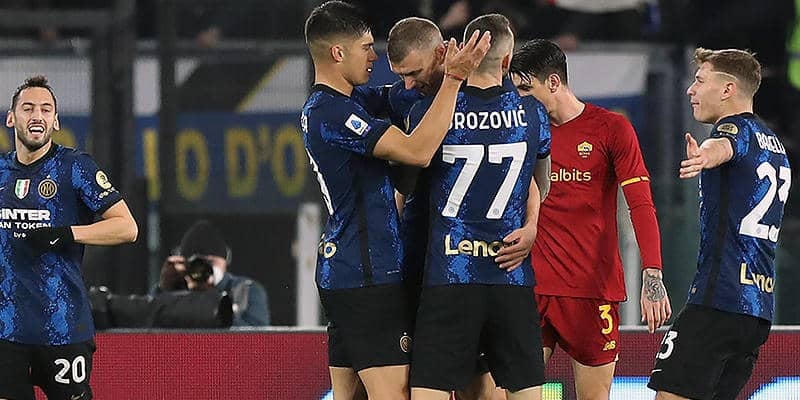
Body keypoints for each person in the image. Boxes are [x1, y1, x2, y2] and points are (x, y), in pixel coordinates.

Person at [301, 2, 490, 399]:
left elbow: (405, 96)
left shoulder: (349, 101)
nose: (374, 57)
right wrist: (454, 79)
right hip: (367, 274)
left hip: (347, 270)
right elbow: (417, 151)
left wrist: (439, 72)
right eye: (366, 47)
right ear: (338, 52)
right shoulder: (332, 113)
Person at [386, 16, 551, 400]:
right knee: (524, 392)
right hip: (510, 275)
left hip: (450, 275)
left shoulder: (430, 112)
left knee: (429, 392)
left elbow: (403, 188)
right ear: (507, 61)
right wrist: (531, 224)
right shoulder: (533, 113)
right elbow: (539, 183)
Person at [509, 39, 672, 400]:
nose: (519, 99)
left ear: (554, 82)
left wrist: (653, 274)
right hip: (529, 287)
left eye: (526, 89)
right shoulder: (520, 132)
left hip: (591, 291)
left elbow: (640, 204)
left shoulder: (611, 128)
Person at [647, 48, 791, 400]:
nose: (690, 90)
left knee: (670, 395)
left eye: (699, 81)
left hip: (718, 300)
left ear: (728, 89)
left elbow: (725, 145)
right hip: (756, 311)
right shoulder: (775, 146)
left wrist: (704, 155)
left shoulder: (734, 127)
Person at [0, 75, 138, 400]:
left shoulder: (75, 167)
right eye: (28, 108)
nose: (37, 115)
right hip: (6, 330)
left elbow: (127, 227)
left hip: (63, 327)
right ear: (11, 118)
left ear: (56, 121)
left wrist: (66, 234)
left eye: (46, 109)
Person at [154, 220, 270, 326]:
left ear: (225, 261)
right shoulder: (174, 289)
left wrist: (218, 307)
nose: (202, 269)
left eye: (210, 262)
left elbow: (257, 336)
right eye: (196, 264)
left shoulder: (246, 290)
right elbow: (149, 327)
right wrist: (163, 290)